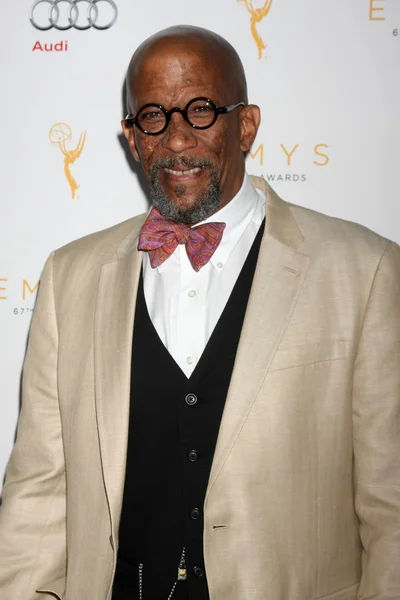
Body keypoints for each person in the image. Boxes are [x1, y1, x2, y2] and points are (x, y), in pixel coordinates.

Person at [0, 24, 399, 600]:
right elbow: (39, 490)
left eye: (202, 110)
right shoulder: (71, 276)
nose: (177, 139)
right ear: (133, 139)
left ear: (247, 124)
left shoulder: (365, 270)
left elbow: (391, 507)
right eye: (154, 116)